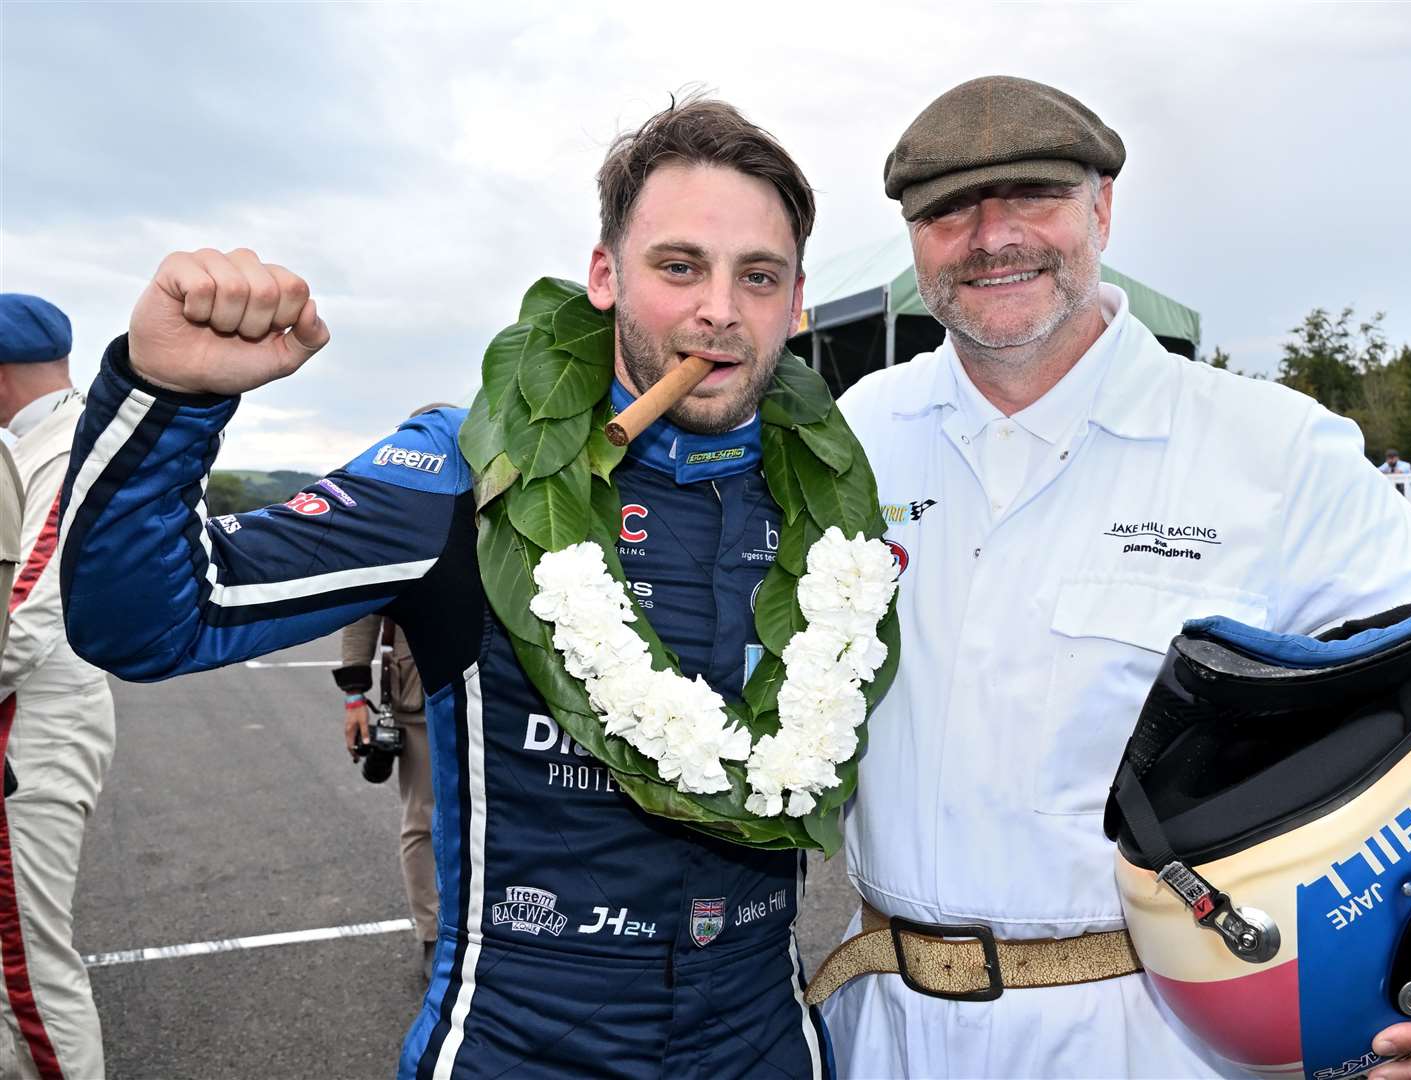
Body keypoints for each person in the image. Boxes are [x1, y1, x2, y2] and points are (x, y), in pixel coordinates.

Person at [817, 75, 1411, 1080]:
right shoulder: (856, 435)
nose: (993, 237)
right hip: (881, 1035)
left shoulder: (1266, 448)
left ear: (1102, 210)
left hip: (1152, 1038)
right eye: (949, 209)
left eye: (1032, 195)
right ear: (913, 237)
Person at [58, 99, 834, 1079]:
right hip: (523, 1045)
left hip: (766, 1042)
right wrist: (170, 396)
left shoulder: (834, 500)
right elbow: (142, 621)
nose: (719, 308)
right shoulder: (467, 468)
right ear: (605, 276)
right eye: (678, 266)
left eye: (757, 276)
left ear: (795, 298)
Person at [0, 294, 116, 1080]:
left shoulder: (66, 445)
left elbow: (30, 613)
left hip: (31, 720)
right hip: (38, 711)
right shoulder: (54, 437)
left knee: (29, 971)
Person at [334, 606, 438, 982]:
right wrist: (354, 696)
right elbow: (365, 607)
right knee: (424, 819)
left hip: (500, 691)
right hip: (421, 687)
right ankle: (433, 934)